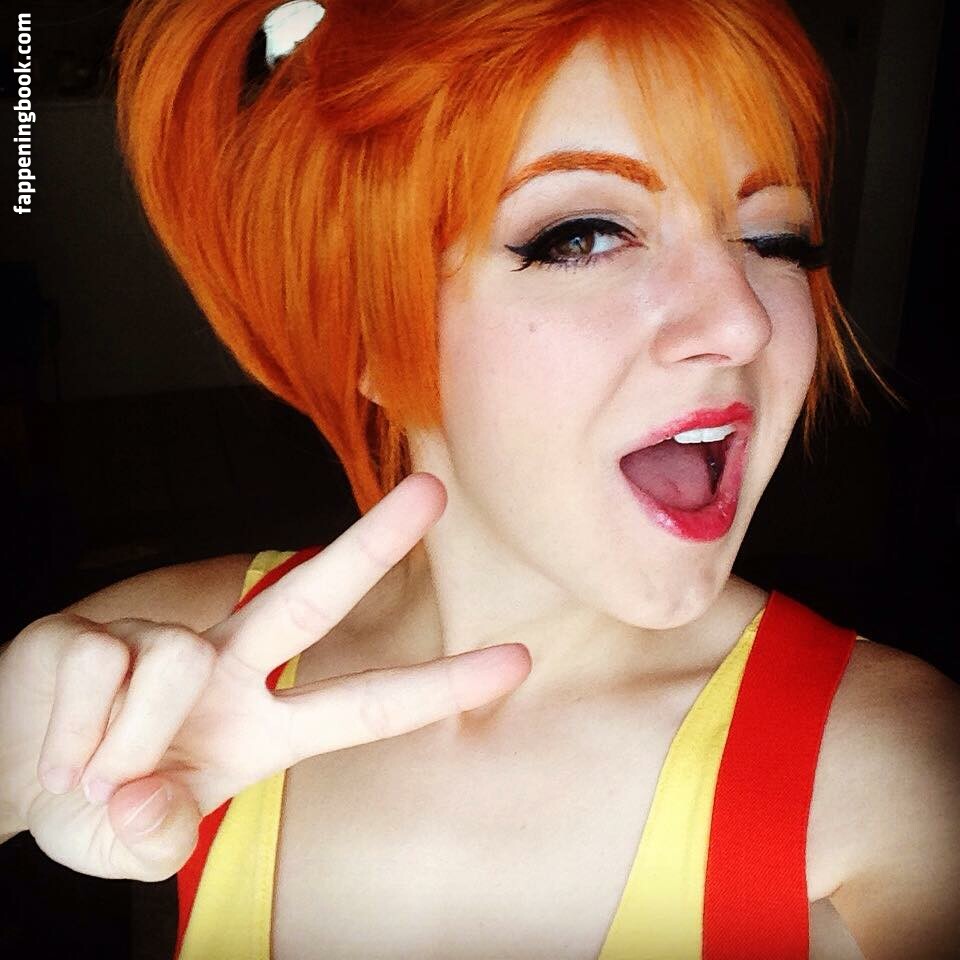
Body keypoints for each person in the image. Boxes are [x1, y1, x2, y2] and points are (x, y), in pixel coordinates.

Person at [1, 0, 958, 957]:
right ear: (368, 327)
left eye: (776, 239)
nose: (743, 321)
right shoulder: (157, 669)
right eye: (584, 234)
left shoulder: (896, 770)